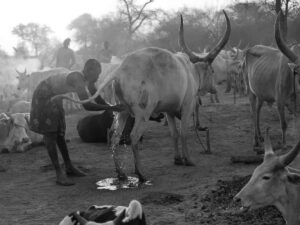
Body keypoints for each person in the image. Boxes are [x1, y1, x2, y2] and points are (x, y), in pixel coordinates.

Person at [29, 59, 125, 186]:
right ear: (88, 70)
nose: (98, 77)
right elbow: (87, 105)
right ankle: (59, 173)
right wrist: (111, 108)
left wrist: (112, 107)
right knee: (50, 135)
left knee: (60, 133)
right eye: (97, 73)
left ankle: (68, 166)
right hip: (44, 95)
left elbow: (97, 98)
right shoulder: (77, 78)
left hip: (56, 97)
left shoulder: (88, 81)